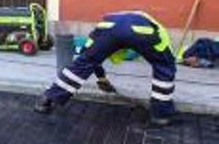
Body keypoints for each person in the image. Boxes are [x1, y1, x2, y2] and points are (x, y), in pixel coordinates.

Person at [34, 11, 177, 126]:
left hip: (109, 28)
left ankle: (47, 99)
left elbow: (89, 56)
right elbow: (167, 55)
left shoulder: (104, 26)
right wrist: (102, 78)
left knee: (84, 62)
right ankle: (161, 115)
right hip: (142, 30)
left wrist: (101, 76)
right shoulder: (157, 28)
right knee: (165, 65)